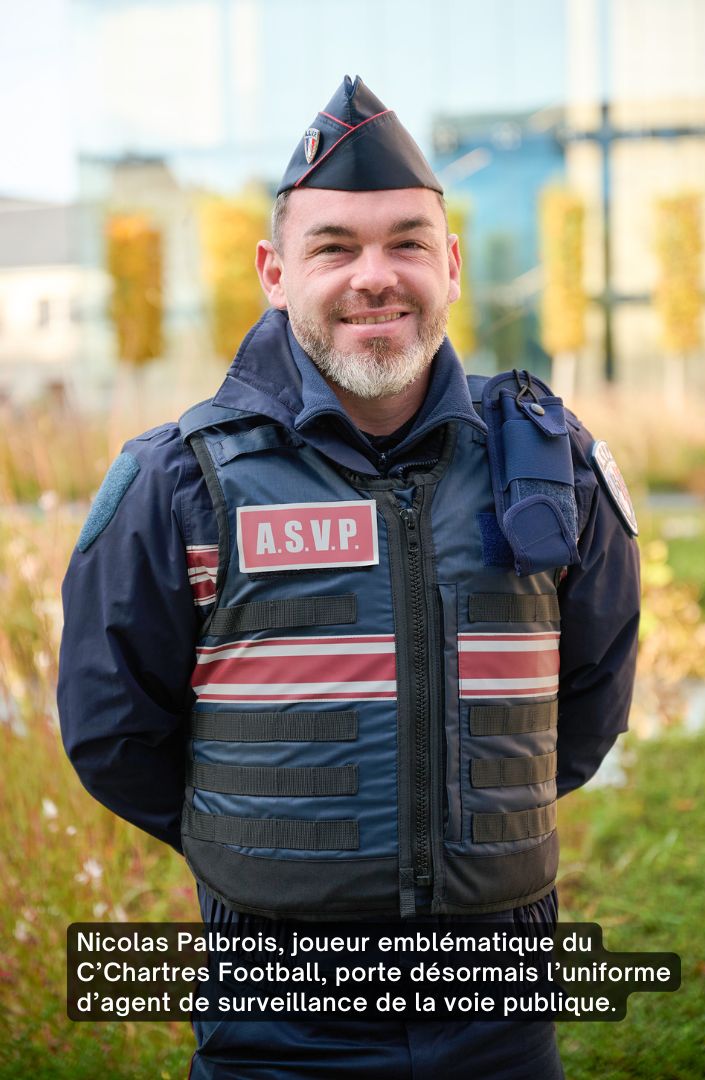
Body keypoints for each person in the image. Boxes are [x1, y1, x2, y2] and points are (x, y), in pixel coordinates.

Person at [58, 77, 640, 1077]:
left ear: (450, 265)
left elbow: (590, 695)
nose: (376, 276)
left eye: (407, 243)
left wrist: (471, 825)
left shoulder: (552, 465)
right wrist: (269, 845)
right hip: (279, 1019)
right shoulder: (178, 480)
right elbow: (114, 734)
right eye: (334, 248)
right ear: (275, 272)